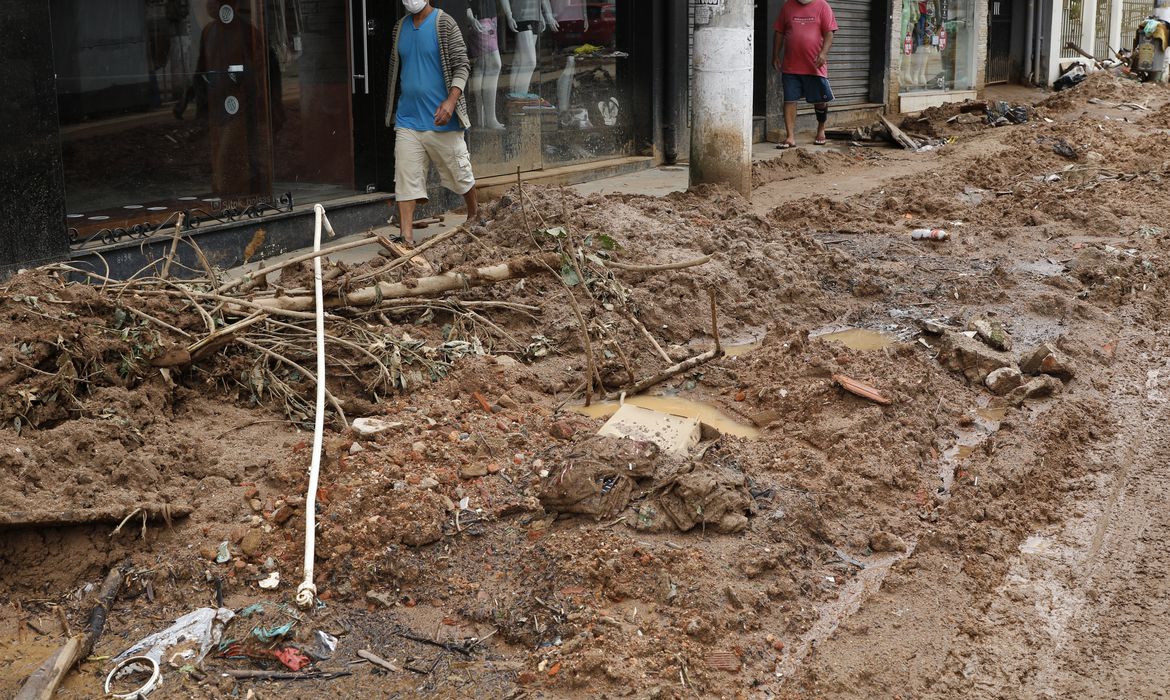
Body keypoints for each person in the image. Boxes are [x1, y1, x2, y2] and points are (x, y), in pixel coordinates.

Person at [385, 0, 478, 245]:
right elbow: (398, 70)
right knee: (405, 176)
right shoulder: (399, 28)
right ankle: (406, 237)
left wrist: (450, 102)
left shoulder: (444, 23)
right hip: (407, 118)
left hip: (440, 119)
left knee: (460, 173)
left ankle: (474, 214)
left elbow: (462, 65)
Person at [771, 0, 838, 149]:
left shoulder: (822, 6)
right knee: (789, 100)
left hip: (815, 65)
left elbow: (829, 33)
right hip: (790, 66)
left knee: (820, 101)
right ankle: (790, 137)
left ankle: (821, 129)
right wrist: (775, 55)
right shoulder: (788, 6)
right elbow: (779, 32)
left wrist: (823, 53)